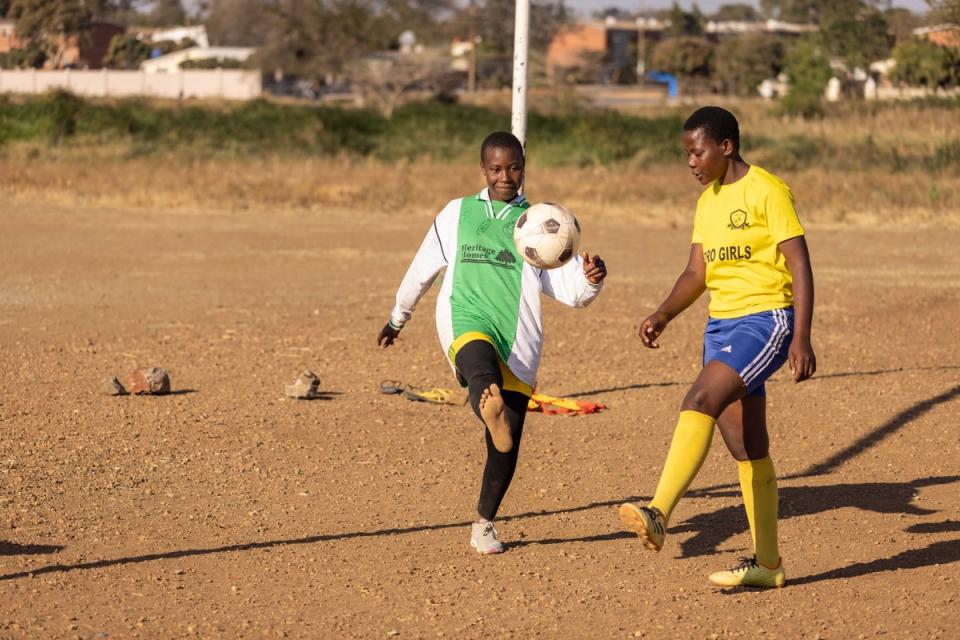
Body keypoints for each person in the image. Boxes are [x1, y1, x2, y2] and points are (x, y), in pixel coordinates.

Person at [378, 131, 607, 554]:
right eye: (497, 169)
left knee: (507, 444)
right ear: (483, 169)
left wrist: (592, 278)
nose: (506, 177)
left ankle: (484, 524)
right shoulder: (456, 213)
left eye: (514, 168)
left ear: (524, 166)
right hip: (465, 316)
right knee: (478, 367)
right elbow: (423, 266)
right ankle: (487, 398)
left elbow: (572, 292)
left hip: (518, 337)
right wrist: (398, 316)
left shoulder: (541, 223)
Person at [618, 106, 816, 588]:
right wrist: (663, 313)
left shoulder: (767, 190)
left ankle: (659, 511)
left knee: (699, 400)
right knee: (745, 446)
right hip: (721, 328)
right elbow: (696, 274)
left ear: (725, 147)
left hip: (766, 320)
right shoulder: (708, 201)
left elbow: (800, 265)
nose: (691, 161)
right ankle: (768, 565)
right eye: (686, 153)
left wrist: (802, 335)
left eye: (697, 151)